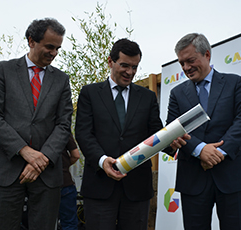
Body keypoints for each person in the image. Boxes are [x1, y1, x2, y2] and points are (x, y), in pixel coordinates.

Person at [75, 38, 188, 230]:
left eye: (135, 67)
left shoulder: (147, 97)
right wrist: (103, 161)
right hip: (100, 187)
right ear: (110, 61)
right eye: (125, 65)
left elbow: (155, 132)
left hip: (136, 189)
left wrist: (171, 142)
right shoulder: (89, 93)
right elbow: (84, 134)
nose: (130, 72)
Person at [0, 18, 73, 230]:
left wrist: (43, 159)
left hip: (47, 174)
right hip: (5, 170)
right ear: (31, 41)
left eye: (58, 48)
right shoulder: (3, 70)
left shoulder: (61, 79)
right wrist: (25, 151)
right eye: (49, 46)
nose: (54, 53)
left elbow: (63, 124)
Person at [166, 33, 241, 230]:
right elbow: (173, 130)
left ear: (207, 54)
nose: (186, 68)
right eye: (181, 63)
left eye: (190, 60)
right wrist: (200, 150)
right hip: (193, 178)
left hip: (232, 175)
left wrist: (217, 153)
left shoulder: (235, 83)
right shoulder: (177, 94)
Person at [58, 135, 80, 230]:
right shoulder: (63, 128)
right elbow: (76, 155)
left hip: (41, 182)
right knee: (69, 223)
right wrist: (64, 167)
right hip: (64, 180)